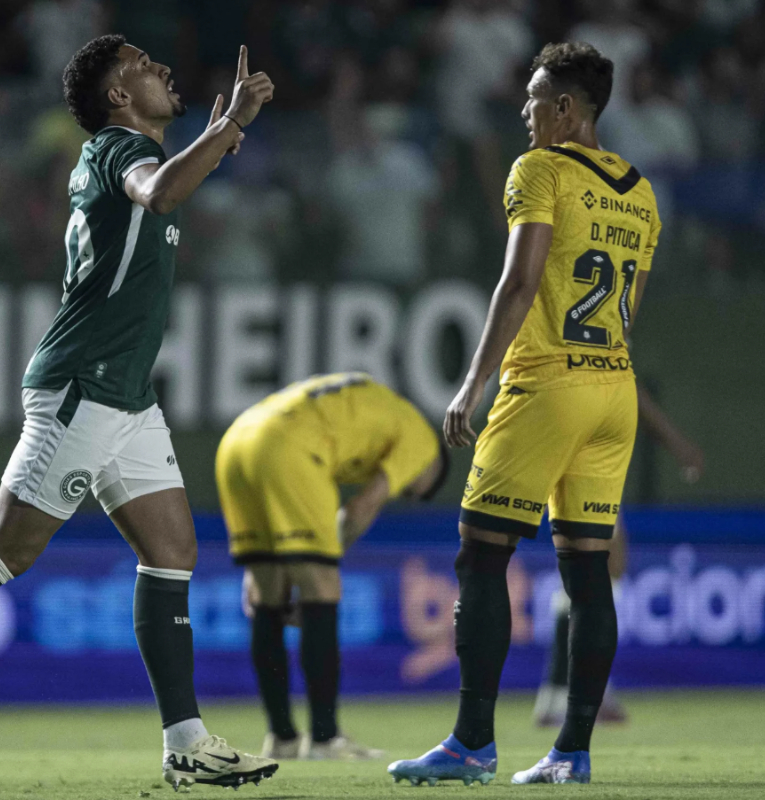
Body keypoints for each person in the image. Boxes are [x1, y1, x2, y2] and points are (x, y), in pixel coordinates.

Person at [0, 36, 278, 791]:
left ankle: (185, 741)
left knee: (172, 552)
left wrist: (217, 137)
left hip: (127, 394)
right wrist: (227, 124)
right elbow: (160, 192)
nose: (162, 69)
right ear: (116, 98)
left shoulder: (130, 155)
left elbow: (167, 186)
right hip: (84, 383)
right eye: (142, 66)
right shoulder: (115, 149)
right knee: (7, 546)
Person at [387, 41, 661, 787]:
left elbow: (520, 280)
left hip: (546, 383)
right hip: (613, 388)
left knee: (482, 554)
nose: (525, 112)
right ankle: (572, 752)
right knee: (587, 572)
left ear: (567, 110)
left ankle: (472, 743)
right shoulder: (641, 192)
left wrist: (471, 383)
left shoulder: (540, 169)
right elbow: (626, 308)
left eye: (536, 100)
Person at [217, 373, 448, 761]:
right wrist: (316, 567)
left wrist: (280, 564)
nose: (407, 493)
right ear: (435, 466)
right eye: (414, 490)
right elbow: (361, 507)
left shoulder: (376, 407)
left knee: (267, 598)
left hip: (238, 442)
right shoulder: (422, 443)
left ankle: (282, 738)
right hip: (289, 445)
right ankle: (325, 739)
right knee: (323, 587)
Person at [533, 384, 705, 726]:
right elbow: (626, 385)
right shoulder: (604, 339)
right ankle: (581, 693)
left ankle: (562, 693)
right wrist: (678, 443)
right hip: (582, 436)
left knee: (595, 566)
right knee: (601, 562)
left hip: (570, 431)